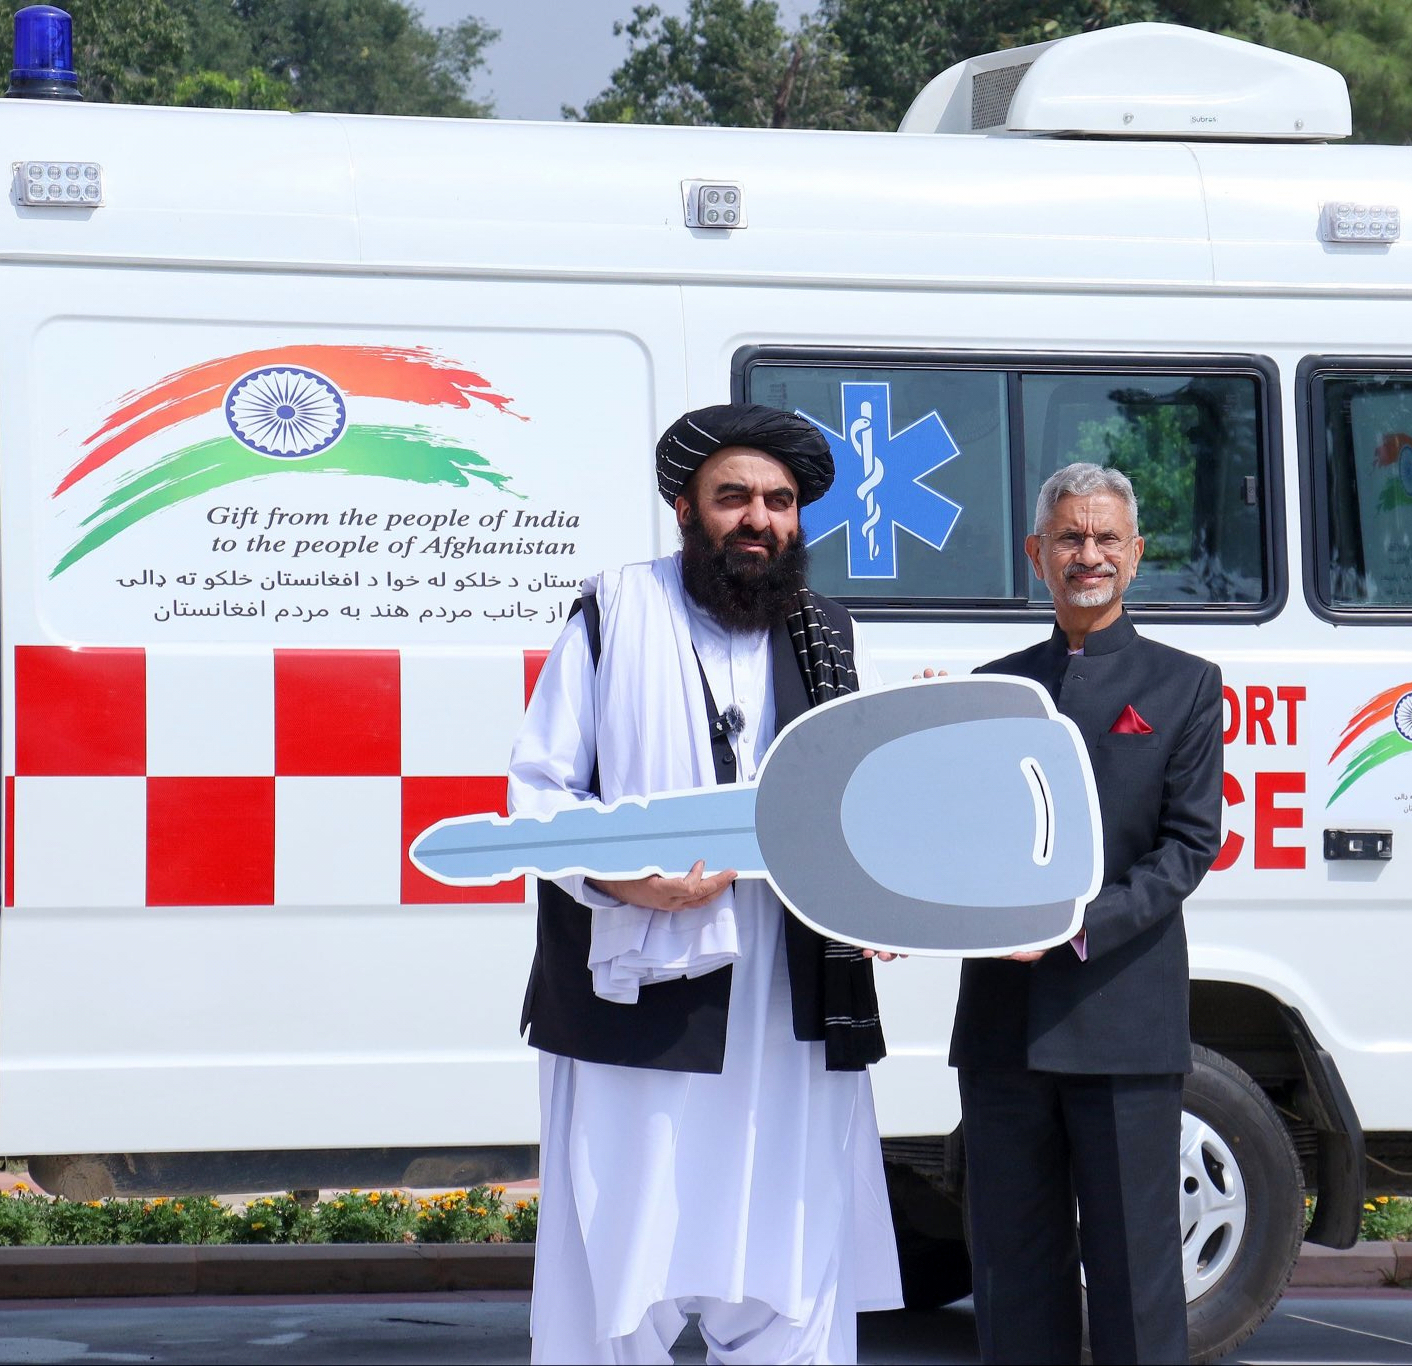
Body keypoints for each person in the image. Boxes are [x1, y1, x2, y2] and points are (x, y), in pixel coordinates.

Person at [509, 403, 902, 1365]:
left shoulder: (825, 631)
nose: (758, 518)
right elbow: (539, 789)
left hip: (788, 989)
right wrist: (624, 881)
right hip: (646, 978)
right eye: (733, 497)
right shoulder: (612, 612)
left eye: (778, 500)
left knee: (790, 1242)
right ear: (685, 510)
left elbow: (858, 794)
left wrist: (875, 894)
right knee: (623, 1239)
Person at [954, 462, 1223, 1365]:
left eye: (1107, 538)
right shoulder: (993, 688)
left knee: (1136, 1274)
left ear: (1136, 554)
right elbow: (962, 844)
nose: (1089, 555)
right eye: (1070, 537)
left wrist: (1074, 929)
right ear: (1038, 554)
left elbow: (1186, 849)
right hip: (1003, 1027)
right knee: (1012, 1268)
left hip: (1122, 1021)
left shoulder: (1185, 684)